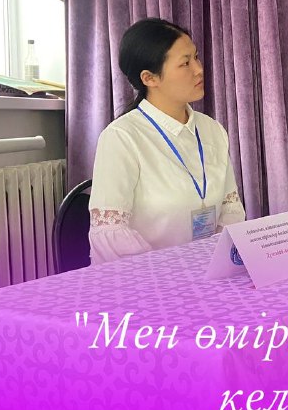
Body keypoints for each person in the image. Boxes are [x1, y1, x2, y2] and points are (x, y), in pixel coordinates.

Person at [88, 18, 245, 264]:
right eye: (185, 63)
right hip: (146, 277)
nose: (199, 69)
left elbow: (230, 210)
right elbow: (111, 233)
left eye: (196, 57)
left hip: (207, 271)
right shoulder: (122, 137)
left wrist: (214, 261)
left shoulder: (212, 130)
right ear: (150, 78)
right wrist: (173, 272)